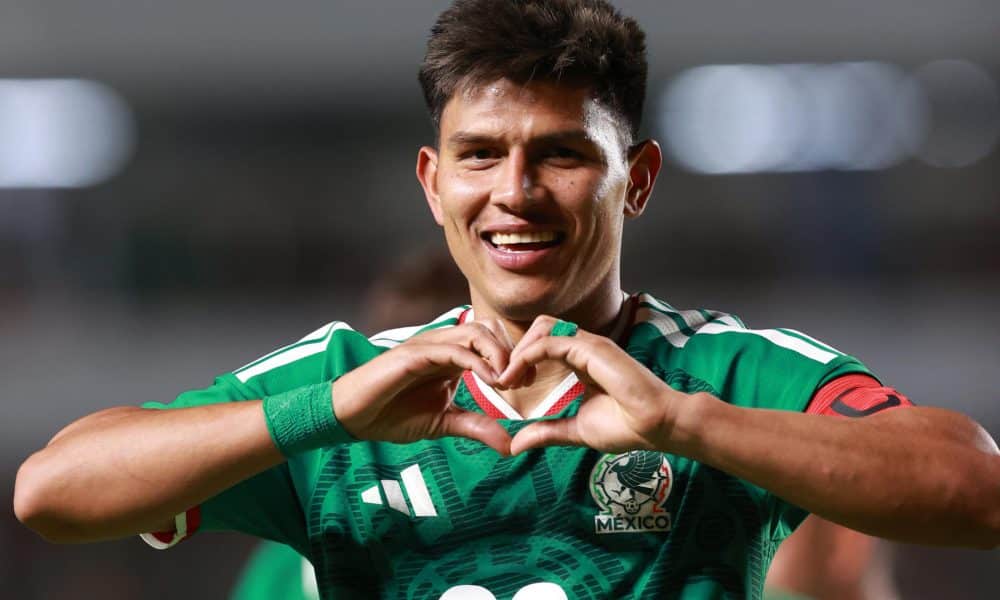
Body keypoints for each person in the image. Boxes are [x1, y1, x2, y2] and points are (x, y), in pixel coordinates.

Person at [13, 1, 1000, 598]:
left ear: (639, 179)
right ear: (432, 181)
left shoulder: (727, 374)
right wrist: (323, 415)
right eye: (479, 154)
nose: (515, 192)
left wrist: (685, 425)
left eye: (562, 155)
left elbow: (977, 493)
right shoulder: (351, 386)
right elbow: (52, 492)